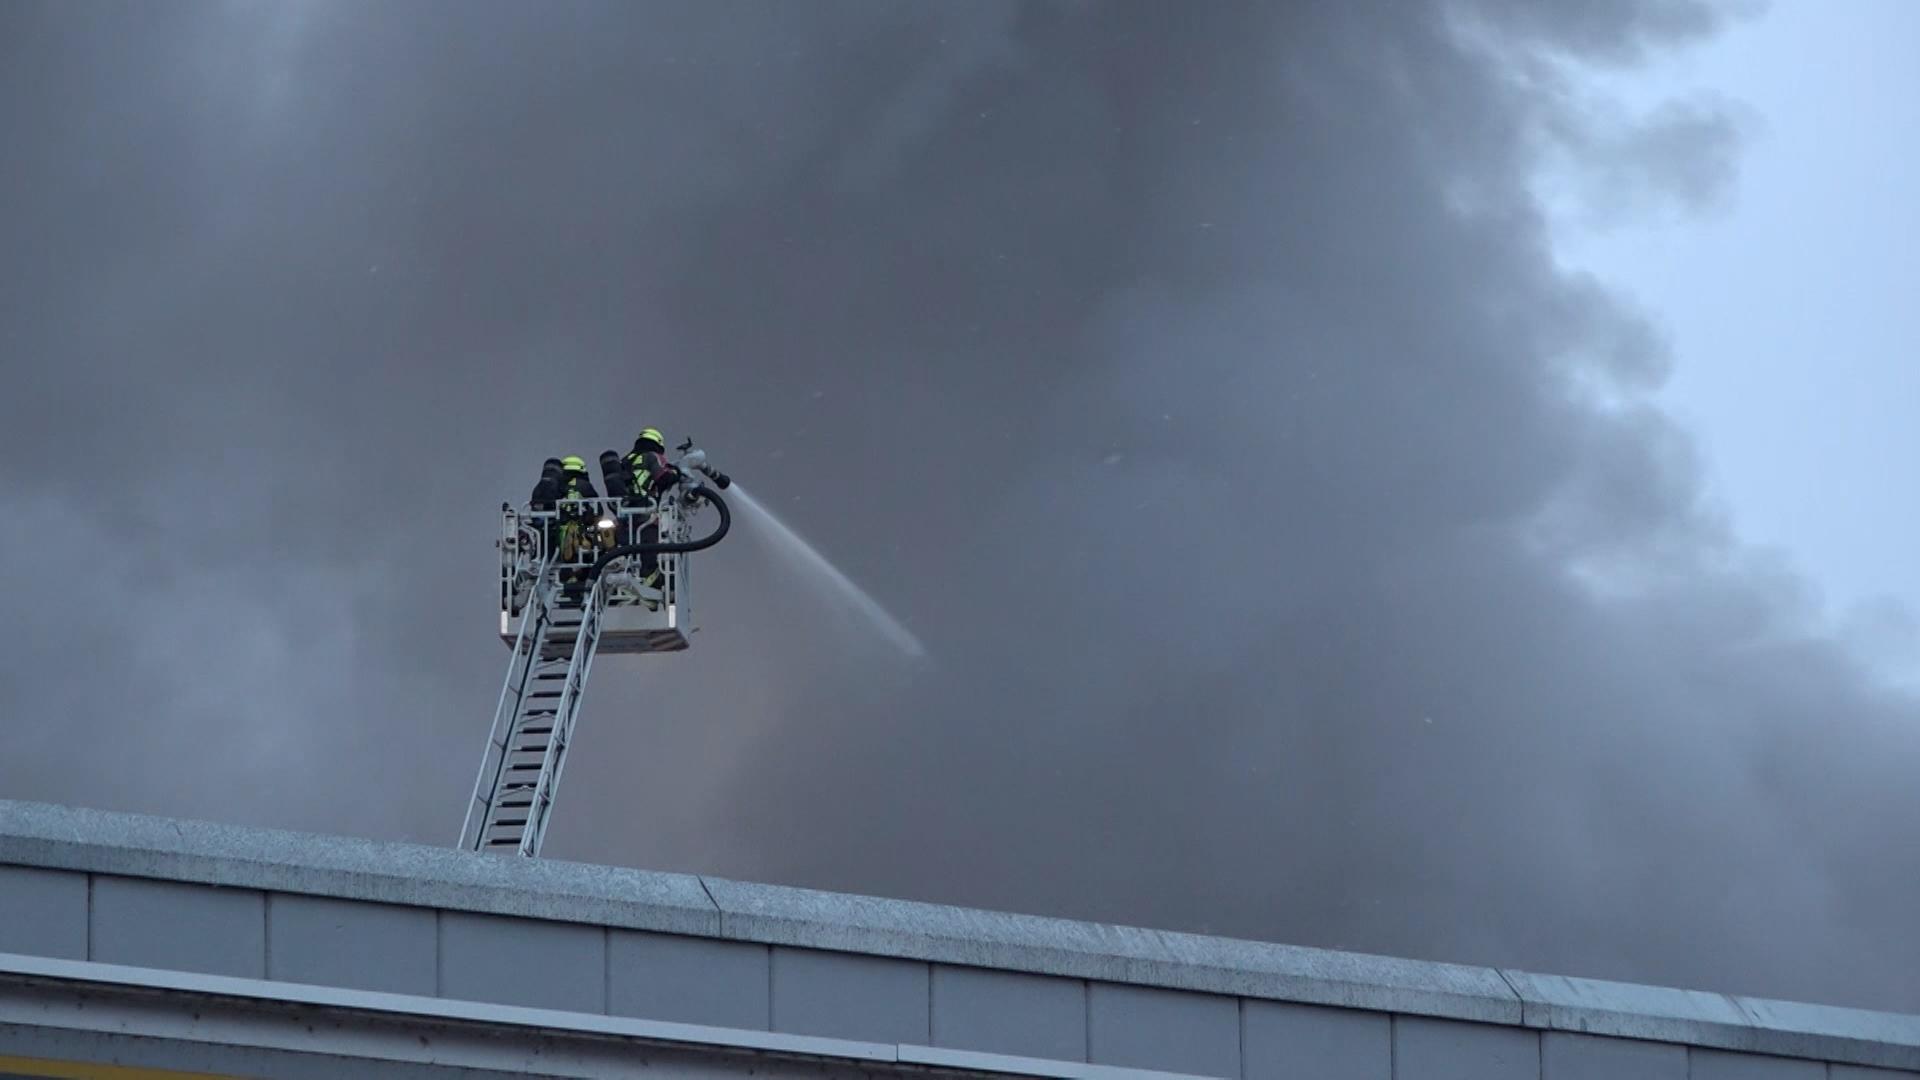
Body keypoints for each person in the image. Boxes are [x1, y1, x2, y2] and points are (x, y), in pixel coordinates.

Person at [621, 428, 681, 592]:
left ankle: (632, 579)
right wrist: (678, 474)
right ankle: (651, 582)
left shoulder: (626, 460)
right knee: (650, 551)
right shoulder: (652, 457)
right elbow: (663, 478)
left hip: (625, 517)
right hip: (647, 513)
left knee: (629, 552)